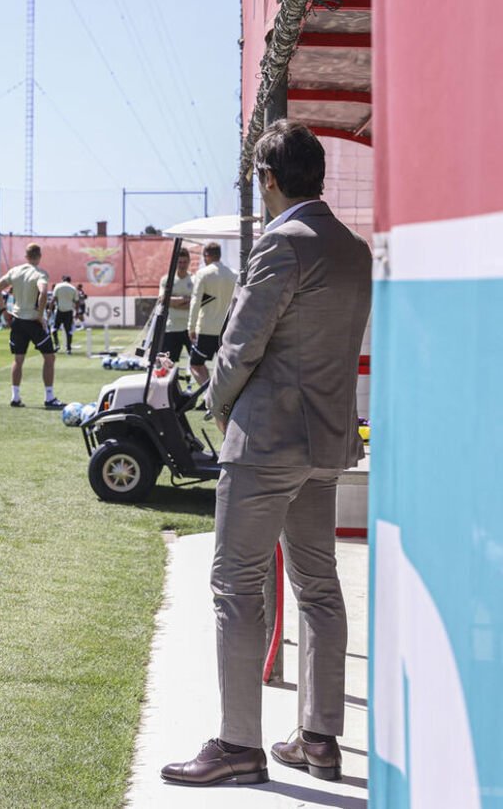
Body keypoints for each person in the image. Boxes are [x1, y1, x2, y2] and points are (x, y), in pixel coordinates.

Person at [161, 120, 371, 787]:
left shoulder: (283, 244)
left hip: (267, 443)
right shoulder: (353, 249)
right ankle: (319, 738)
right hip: (324, 441)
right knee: (319, 588)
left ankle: (238, 744)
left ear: (269, 180)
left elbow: (242, 344)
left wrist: (217, 405)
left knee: (235, 586)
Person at [0, 243, 64, 410]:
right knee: (49, 358)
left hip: (17, 320)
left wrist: (4, 311)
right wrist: (40, 315)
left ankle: (15, 397)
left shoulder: (15, 271)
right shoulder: (40, 273)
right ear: (39, 256)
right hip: (32, 321)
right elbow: (44, 292)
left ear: (26, 256)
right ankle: (49, 397)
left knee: (18, 360)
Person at [186, 242, 236, 386]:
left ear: (206, 256)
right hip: (227, 329)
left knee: (195, 364)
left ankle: (208, 395)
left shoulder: (203, 274)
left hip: (206, 328)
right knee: (226, 368)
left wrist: (191, 327)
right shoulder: (233, 275)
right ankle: (219, 398)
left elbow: (195, 302)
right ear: (219, 255)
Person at [157, 247, 194, 362]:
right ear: (175, 262)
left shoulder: (195, 279)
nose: (182, 265)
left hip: (191, 329)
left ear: (189, 262)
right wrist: (185, 299)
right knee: (168, 363)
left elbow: (198, 302)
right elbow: (163, 300)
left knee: (197, 363)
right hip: (171, 327)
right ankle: (171, 380)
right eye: (179, 262)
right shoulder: (167, 279)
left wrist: (174, 302)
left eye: (184, 262)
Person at [51, 275, 77, 354]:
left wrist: (49, 309)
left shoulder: (58, 286)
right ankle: (68, 349)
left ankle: (57, 345)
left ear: (62, 280)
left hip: (59, 310)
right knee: (69, 331)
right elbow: (76, 301)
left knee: (54, 329)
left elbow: (54, 299)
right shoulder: (73, 288)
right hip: (69, 311)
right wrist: (77, 311)